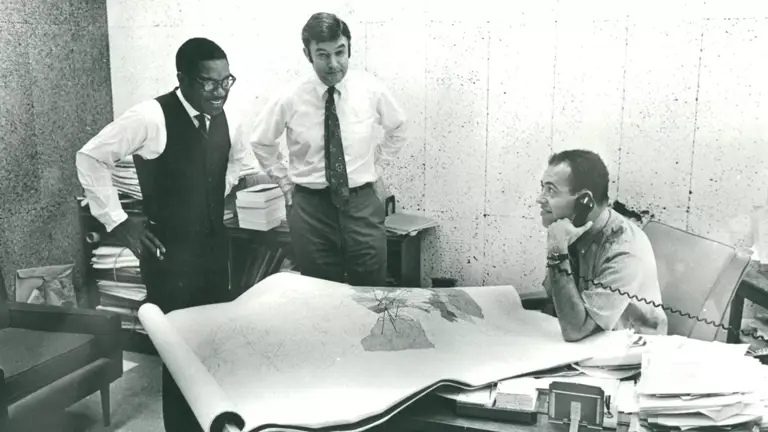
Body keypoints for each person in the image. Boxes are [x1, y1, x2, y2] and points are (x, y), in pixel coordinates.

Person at [75, 37, 247, 432]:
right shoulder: (150, 117)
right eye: (209, 83)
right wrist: (118, 221)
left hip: (212, 251)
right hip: (170, 258)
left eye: (226, 81)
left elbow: (235, 162)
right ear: (182, 79)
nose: (220, 91)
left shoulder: (227, 117)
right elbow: (90, 156)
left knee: (211, 348)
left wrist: (216, 197)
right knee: (178, 355)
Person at [246, 12, 408, 286]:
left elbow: (398, 128)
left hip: (362, 204)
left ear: (348, 50)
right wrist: (285, 184)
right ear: (308, 55)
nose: (333, 64)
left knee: (371, 288)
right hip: (310, 209)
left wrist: (376, 167)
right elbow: (261, 141)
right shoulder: (290, 97)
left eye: (340, 52)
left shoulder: (370, 90)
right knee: (319, 292)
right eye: (322, 55)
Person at [537, 149, 668, 341]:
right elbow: (554, 299)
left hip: (630, 354)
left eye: (551, 190)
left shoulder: (626, 248)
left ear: (585, 201)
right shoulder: (574, 229)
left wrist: (557, 250)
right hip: (588, 347)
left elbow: (575, 330)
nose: (539, 199)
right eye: (542, 188)